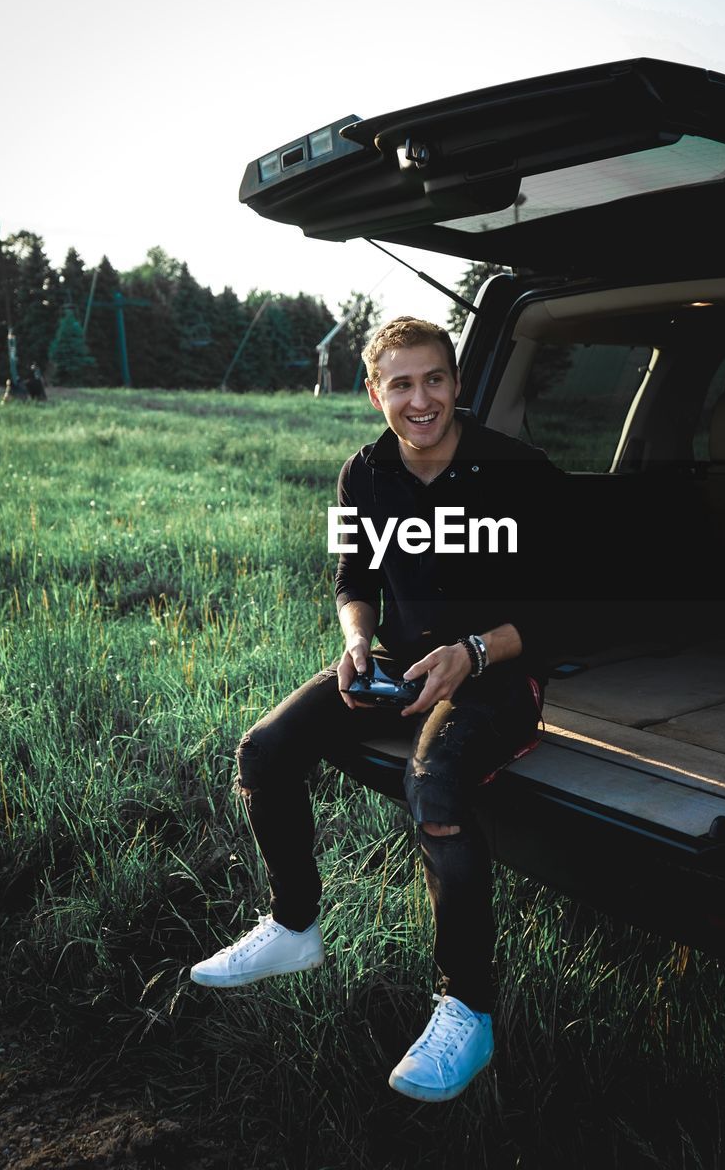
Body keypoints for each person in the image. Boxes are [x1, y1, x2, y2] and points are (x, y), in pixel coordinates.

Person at [190, 317, 561, 1102]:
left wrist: (473, 653)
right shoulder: (361, 474)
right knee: (263, 751)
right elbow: (351, 580)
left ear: (457, 385)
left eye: (433, 380)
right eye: (400, 383)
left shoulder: (522, 472)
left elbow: (567, 612)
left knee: (434, 789)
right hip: (395, 660)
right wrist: (356, 643)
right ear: (373, 392)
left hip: (500, 672)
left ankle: (469, 1007)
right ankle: (294, 928)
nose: (418, 398)